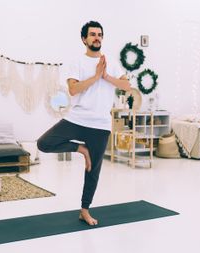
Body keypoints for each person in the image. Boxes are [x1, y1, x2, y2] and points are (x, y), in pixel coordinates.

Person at [37, 21, 130, 226]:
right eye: (93, 34)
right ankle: (82, 149)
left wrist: (106, 75)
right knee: (44, 143)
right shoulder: (76, 62)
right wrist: (96, 76)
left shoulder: (111, 62)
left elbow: (127, 86)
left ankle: (84, 210)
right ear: (84, 39)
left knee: (93, 171)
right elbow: (73, 90)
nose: (97, 37)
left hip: (100, 124)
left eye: (100, 34)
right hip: (77, 119)